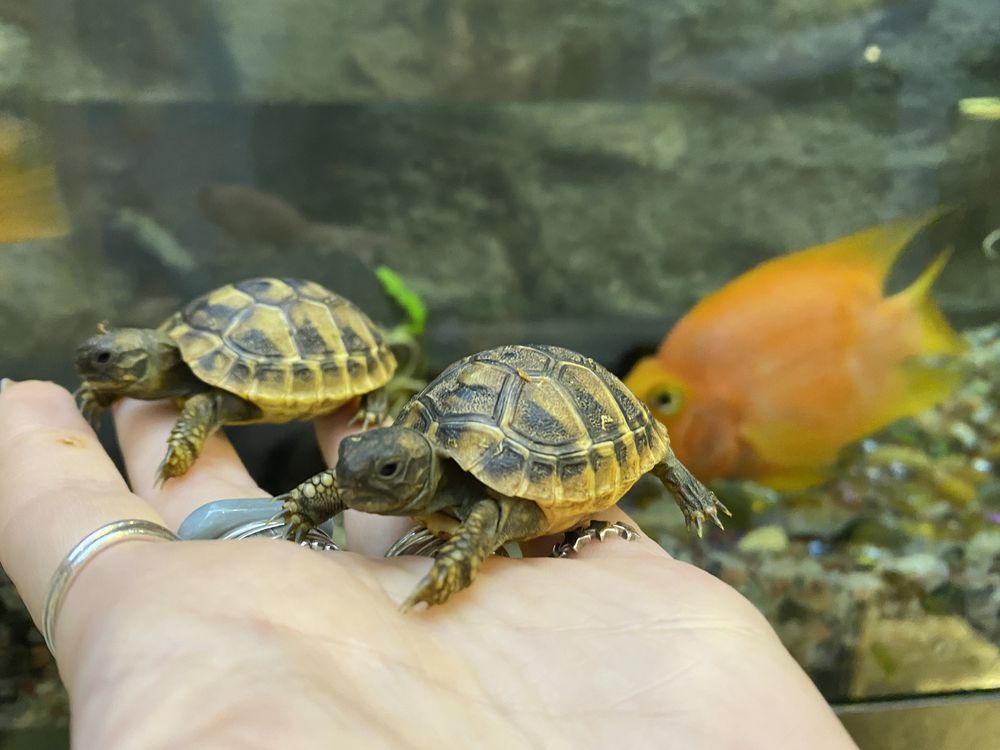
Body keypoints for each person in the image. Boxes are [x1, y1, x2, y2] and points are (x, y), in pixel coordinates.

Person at [0, 379, 858, 749]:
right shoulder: (391, 466)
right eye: (368, 473)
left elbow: (486, 514)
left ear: (418, 470)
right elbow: (350, 484)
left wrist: (454, 564)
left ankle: (666, 461)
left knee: (497, 509)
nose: (362, 486)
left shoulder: (479, 498)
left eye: (388, 476)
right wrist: (308, 506)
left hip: (564, 419)